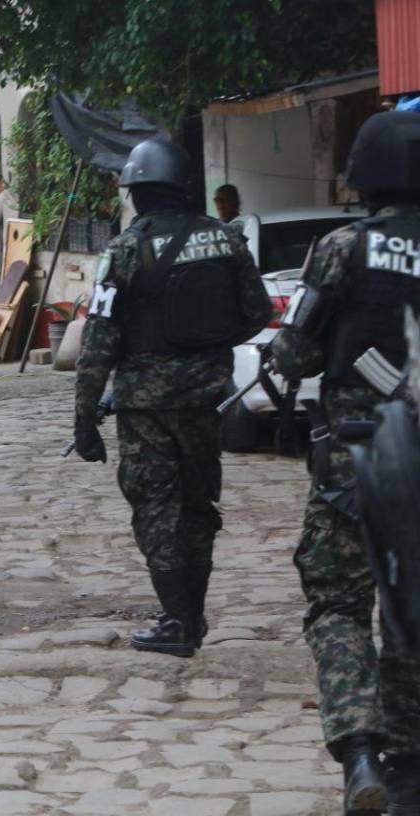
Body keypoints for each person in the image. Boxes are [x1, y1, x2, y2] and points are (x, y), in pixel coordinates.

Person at [269, 110, 420, 815]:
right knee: (410, 614)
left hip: (352, 468)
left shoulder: (342, 249)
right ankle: (412, 764)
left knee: (336, 605)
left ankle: (360, 754)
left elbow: (294, 353)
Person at [72, 138, 271, 658]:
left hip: (146, 408)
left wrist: (84, 419)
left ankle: (179, 619)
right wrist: (204, 348)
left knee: (156, 509)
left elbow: (98, 342)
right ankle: (193, 613)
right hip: (206, 402)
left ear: (137, 192)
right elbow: (255, 313)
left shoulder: (125, 249)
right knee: (197, 505)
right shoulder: (226, 241)